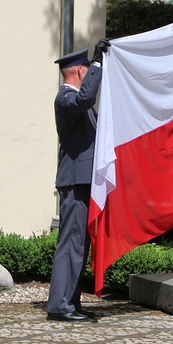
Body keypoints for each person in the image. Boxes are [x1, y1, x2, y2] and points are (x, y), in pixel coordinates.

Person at [46, 39, 110, 323]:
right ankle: (59, 306)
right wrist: (98, 63)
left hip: (83, 180)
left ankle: (70, 301)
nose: (89, 70)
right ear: (79, 71)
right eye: (86, 66)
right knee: (70, 242)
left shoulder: (78, 102)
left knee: (79, 245)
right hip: (74, 180)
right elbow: (85, 98)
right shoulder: (66, 98)